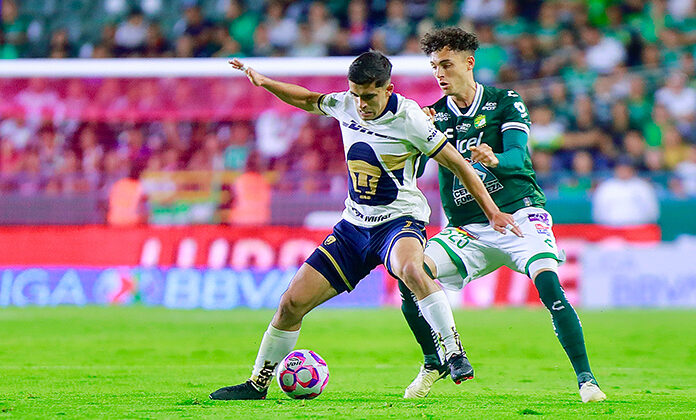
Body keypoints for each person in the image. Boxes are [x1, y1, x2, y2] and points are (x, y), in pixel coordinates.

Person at [209, 51, 521, 400]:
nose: (361, 104)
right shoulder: (346, 103)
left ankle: (454, 352)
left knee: (412, 270)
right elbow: (307, 99)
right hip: (353, 227)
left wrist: (492, 212)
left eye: (369, 96)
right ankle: (257, 385)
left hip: (399, 221)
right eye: (355, 94)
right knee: (290, 304)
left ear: (388, 89)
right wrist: (265, 81)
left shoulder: (411, 118)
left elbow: (460, 165)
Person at [399, 27, 606, 403]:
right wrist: (417, 135)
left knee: (549, 284)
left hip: (518, 215)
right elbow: (410, 168)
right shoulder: (433, 116)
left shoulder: (504, 101)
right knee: (410, 273)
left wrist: (495, 158)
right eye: (434, 67)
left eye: (446, 64)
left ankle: (587, 381)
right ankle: (433, 361)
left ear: (469, 63)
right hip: (468, 229)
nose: (439, 74)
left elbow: (518, 155)